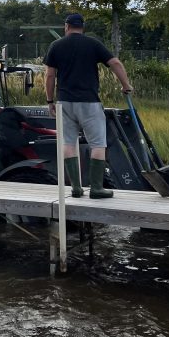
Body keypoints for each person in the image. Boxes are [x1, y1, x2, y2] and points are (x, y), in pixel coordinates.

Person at [43, 13, 133, 199]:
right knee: (98, 144)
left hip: (65, 102)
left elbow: (50, 75)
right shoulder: (93, 44)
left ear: (66, 27)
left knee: (68, 143)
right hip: (89, 102)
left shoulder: (56, 46)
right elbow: (115, 62)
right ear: (82, 27)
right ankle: (96, 188)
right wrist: (126, 85)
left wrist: (50, 101)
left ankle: (76, 188)